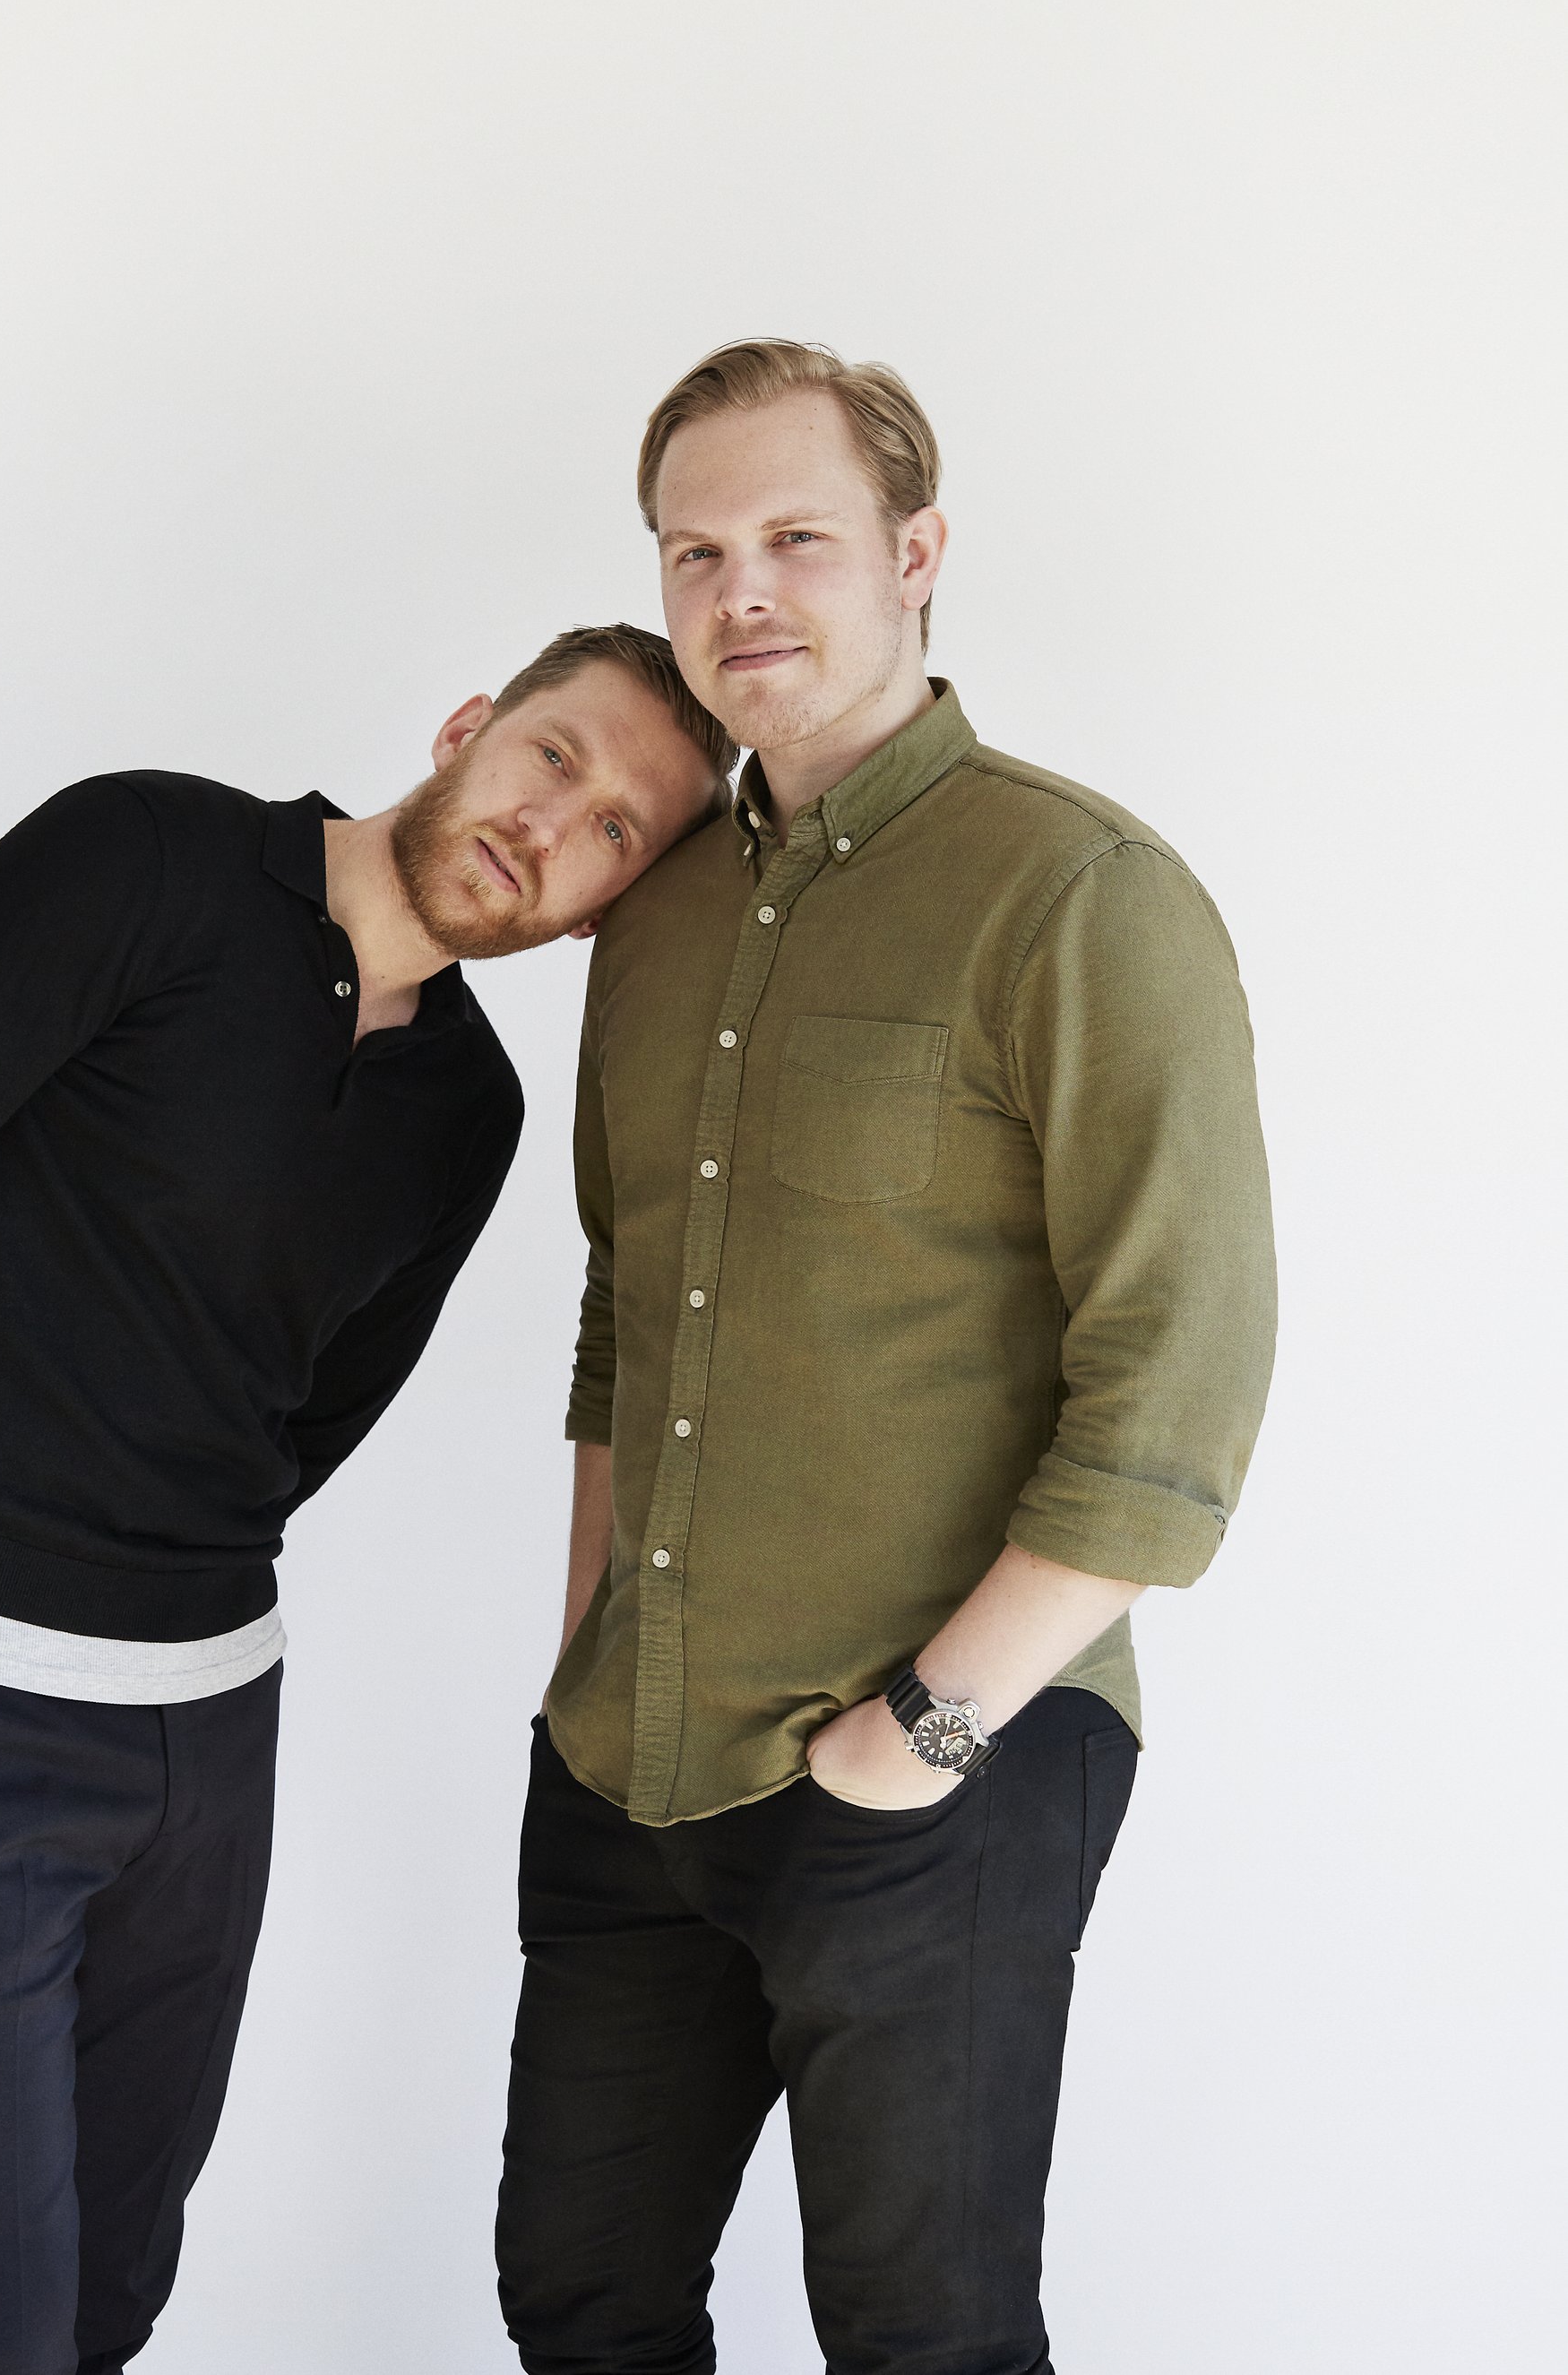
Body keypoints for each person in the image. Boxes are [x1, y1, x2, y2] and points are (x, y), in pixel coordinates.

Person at [0, 625, 731, 2375]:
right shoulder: (145, 854)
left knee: (106, 2302)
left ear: (598, 915)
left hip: (201, 1736)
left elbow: (313, 1409)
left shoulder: (469, 1114)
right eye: (554, 756)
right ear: (470, 722)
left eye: (613, 836)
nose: (551, 824)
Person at [496, 344, 1276, 2375]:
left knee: (917, 2337)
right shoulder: (650, 921)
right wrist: (580, 1649)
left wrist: (917, 1734)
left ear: (914, 556)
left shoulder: (1079, 897)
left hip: (937, 1765)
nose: (737, 588)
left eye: (791, 538)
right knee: (578, 2301)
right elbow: (619, 1308)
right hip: (627, 1759)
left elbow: (1174, 1387)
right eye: (693, 550)